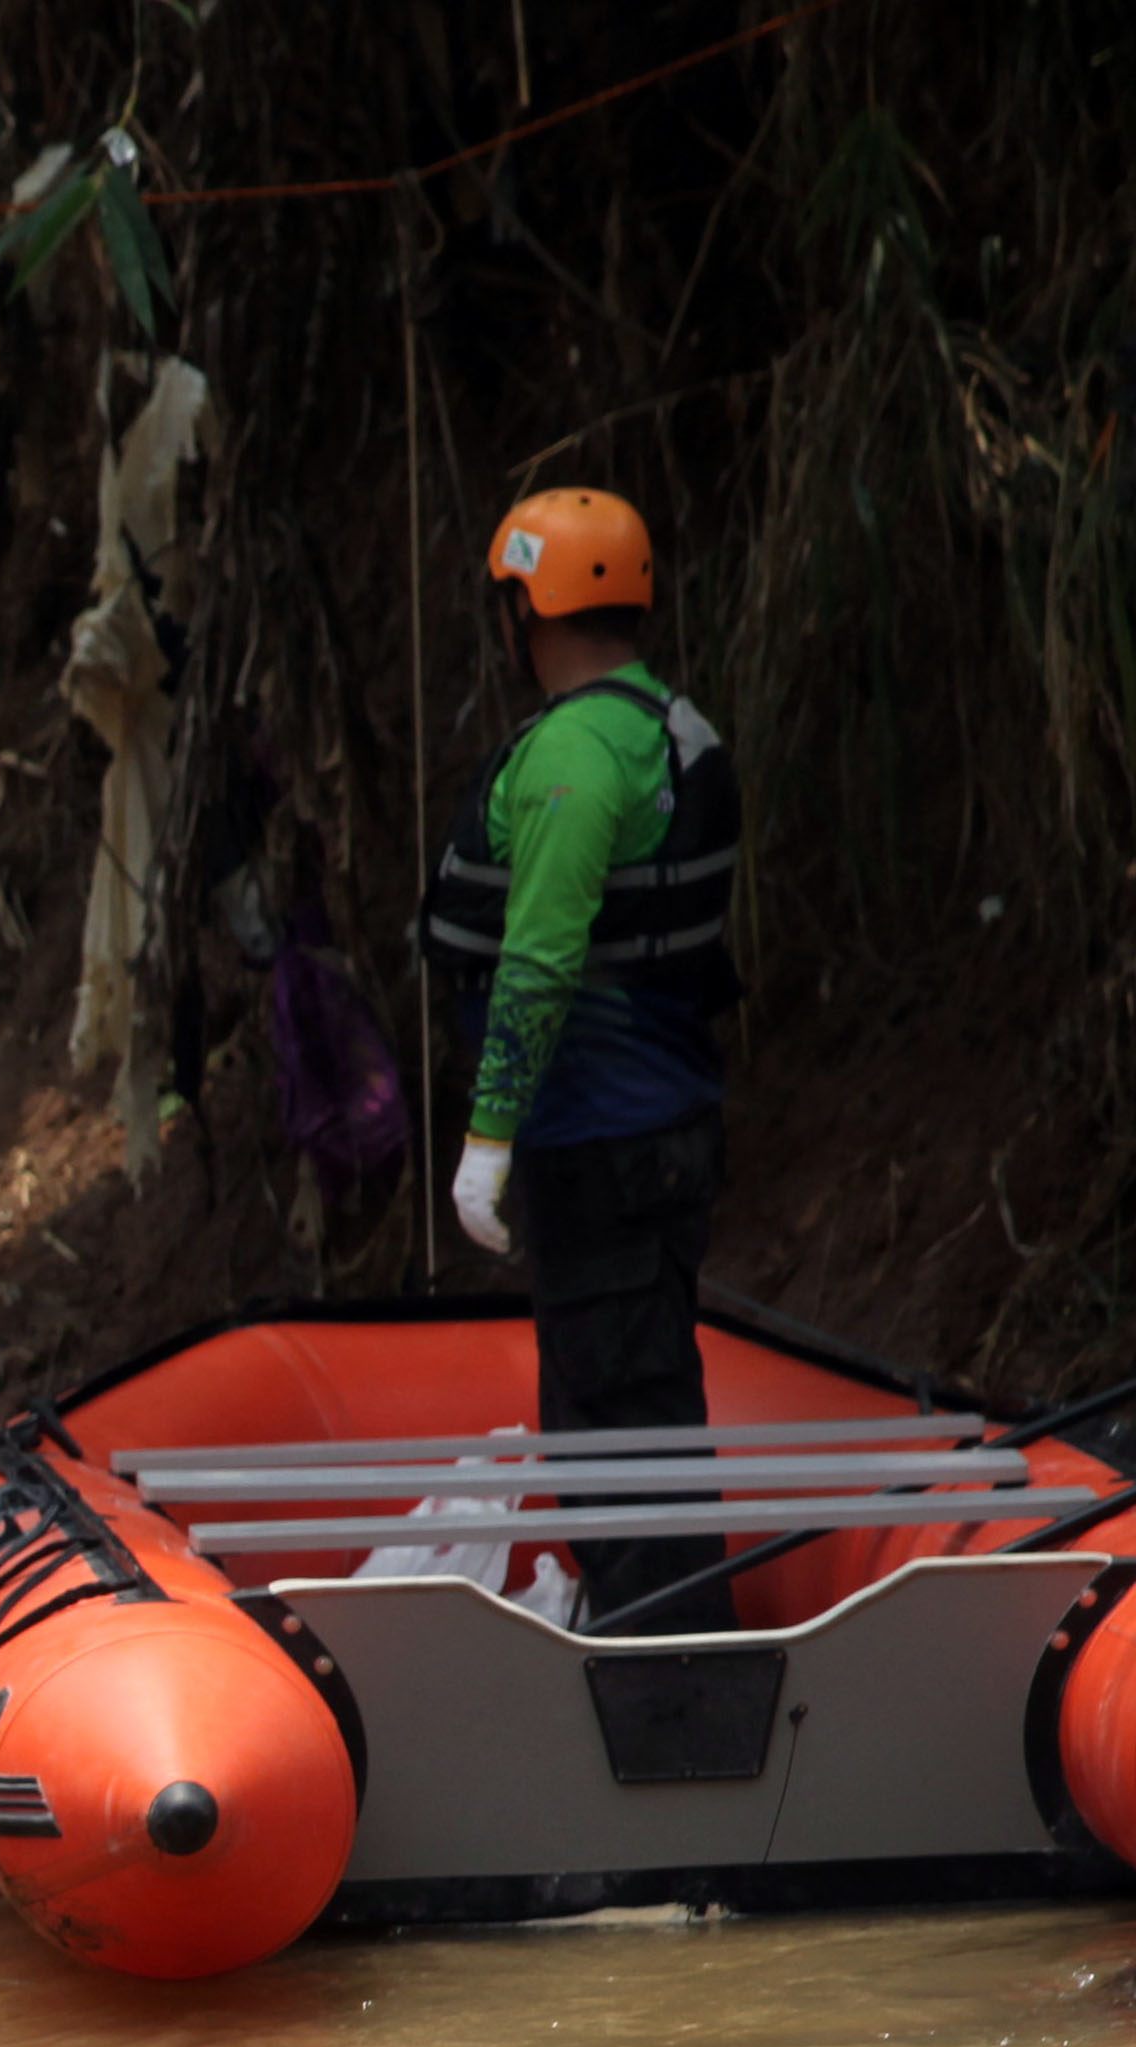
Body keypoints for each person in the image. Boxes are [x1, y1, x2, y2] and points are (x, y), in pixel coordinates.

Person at [427, 486, 745, 1624]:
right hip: (664, 1135)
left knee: (612, 1428)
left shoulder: (572, 759)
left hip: (600, 1147)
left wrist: (487, 1139)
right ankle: (671, 1650)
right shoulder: (671, 725)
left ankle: (672, 1681)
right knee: (642, 1401)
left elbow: (541, 963)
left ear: (530, 611)